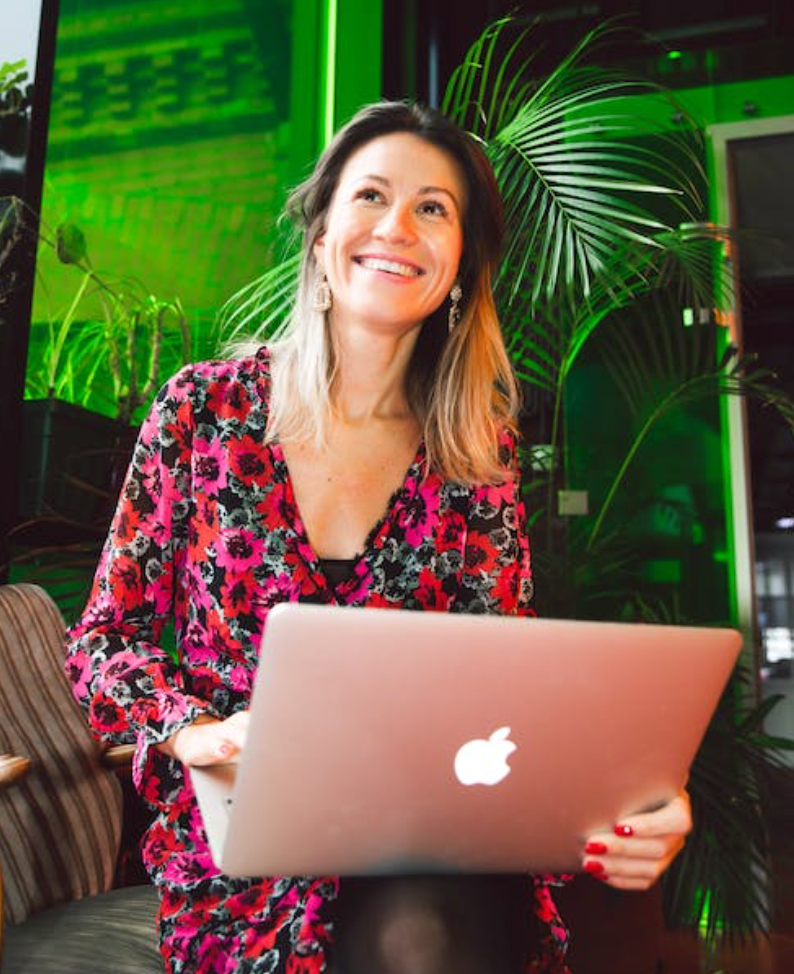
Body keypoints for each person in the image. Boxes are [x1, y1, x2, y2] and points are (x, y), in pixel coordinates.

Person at [65, 100, 691, 974]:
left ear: (460, 266)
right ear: (321, 238)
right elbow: (103, 645)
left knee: (434, 918)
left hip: (428, 829)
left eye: (434, 207)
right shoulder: (200, 412)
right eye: (370, 196)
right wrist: (192, 731)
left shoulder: (477, 451)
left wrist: (635, 801)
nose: (397, 225)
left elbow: (507, 682)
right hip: (250, 853)